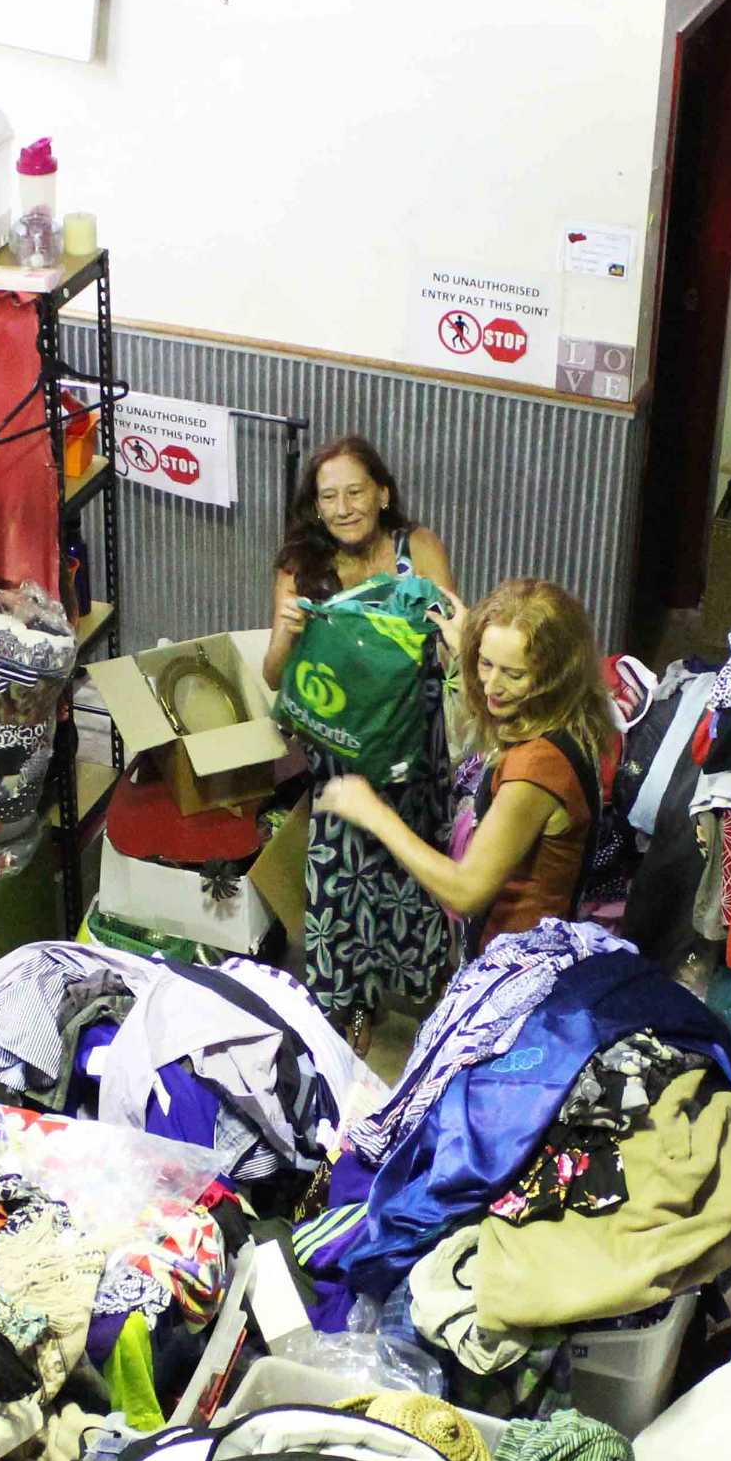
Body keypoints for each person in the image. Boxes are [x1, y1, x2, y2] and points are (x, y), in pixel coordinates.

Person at [262, 436, 460, 1037]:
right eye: (329, 496)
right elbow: (274, 676)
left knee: (415, 869)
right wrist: (289, 634)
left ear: (382, 493)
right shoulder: (301, 568)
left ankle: (426, 995)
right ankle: (350, 1002)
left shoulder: (417, 549)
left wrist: (447, 626)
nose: (344, 507)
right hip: (341, 759)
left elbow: (458, 641)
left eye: (355, 491)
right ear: (314, 507)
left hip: (414, 751)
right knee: (342, 880)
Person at [317, 577, 617, 949]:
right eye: (486, 663)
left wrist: (373, 814)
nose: (491, 686)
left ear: (556, 677)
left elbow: (465, 891)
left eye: (514, 673)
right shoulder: (565, 721)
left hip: (517, 963)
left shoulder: (537, 769)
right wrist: (467, 647)